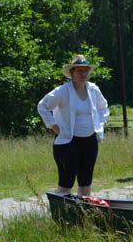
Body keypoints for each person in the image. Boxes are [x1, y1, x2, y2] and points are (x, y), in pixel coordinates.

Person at [37, 55, 109, 197]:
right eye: (79, 71)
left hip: (89, 141)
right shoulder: (63, 91)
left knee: (86, 180)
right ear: (72, 73)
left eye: (85, 71)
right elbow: (43, 106)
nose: (83, 74)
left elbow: (103, 108)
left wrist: (101, 124)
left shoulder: (93, 89)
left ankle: (84, 214)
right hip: (67, 142)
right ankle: (63, 214)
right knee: (66, 181)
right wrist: (53, 126)